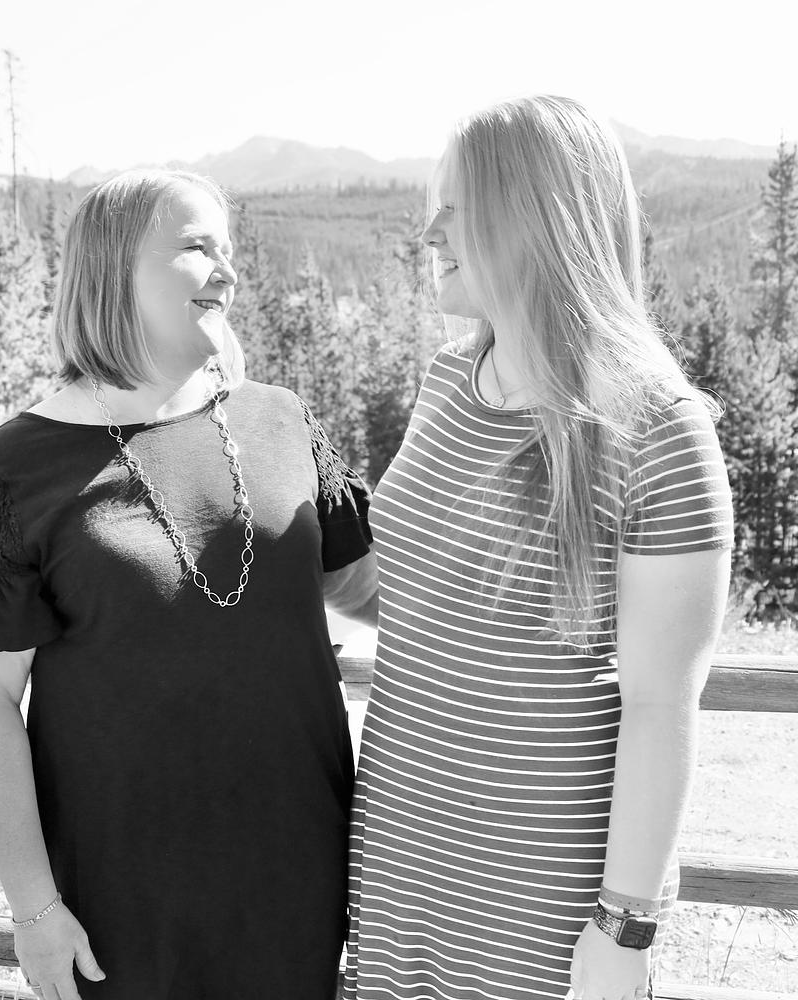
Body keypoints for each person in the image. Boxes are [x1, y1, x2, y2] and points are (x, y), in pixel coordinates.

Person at [0, 168, 377, 1000]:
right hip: (118, 899)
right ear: (114, 268)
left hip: (297, 869)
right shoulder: (18, 465)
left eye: (228, 248)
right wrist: (35, 908)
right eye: (197, 247)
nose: (227, 270)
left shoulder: (282, 419)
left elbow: (366, 587)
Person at [343, 96, 733, 1000]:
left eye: (459, 208)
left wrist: (623, 929)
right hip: (405, 857)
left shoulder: (658, 429)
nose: (429, 231)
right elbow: (415, 592)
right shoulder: (449, 379)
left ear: (539, 219)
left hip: (542, 897)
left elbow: (661, 707)